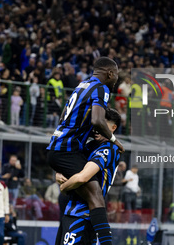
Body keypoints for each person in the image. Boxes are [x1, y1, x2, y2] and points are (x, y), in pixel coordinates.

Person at [47, 57, 123, 245]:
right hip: (68, 149)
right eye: (116, 77)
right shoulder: (101, 88)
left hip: (60, 147)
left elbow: (65, 117)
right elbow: (97, 120)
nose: (116, 81)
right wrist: (115, 141)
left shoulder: (82, 85)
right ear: (110, 73)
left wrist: (59, 168)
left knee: (78, 194)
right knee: (95, 195)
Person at [56, 107, 121, 245]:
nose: (97, 128)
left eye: (102, 124)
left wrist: (64, 186)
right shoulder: (90, 145)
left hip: (84, 214)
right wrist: (59, 172)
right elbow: (69, 164)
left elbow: (82, 177)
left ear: (113, 128)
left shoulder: (109, 148)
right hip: (72, 211)